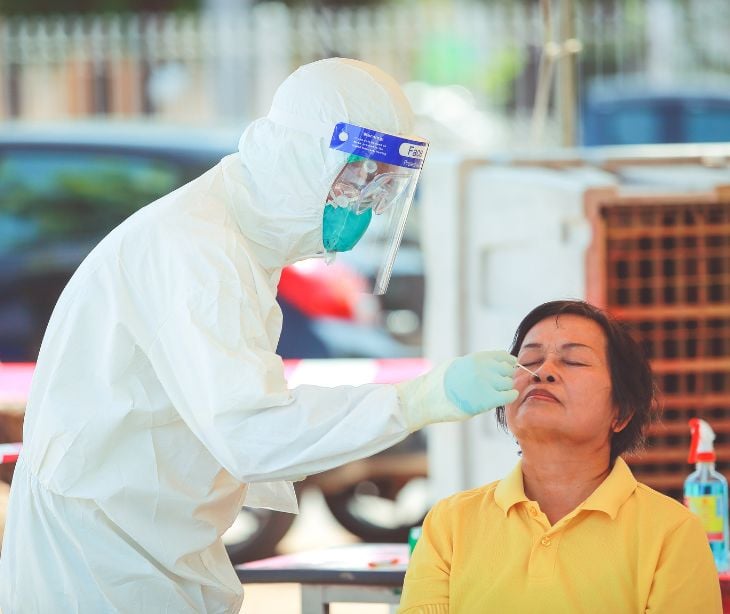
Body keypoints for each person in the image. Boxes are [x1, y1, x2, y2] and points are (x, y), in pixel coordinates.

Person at [0, 58, 521, 613]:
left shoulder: (238, 241)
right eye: (355, 174)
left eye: (382, 181)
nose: (365, 199)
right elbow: (252, 432)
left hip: (155, 540)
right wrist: (419, 398)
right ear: (298, 156)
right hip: (100, 560)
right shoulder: (200, 250)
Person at [399, 299, 722, 613]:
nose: (543, 372)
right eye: (529, 360)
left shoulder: (672, 532)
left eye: (574, 361)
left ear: (621, 413)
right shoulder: (449, 522)